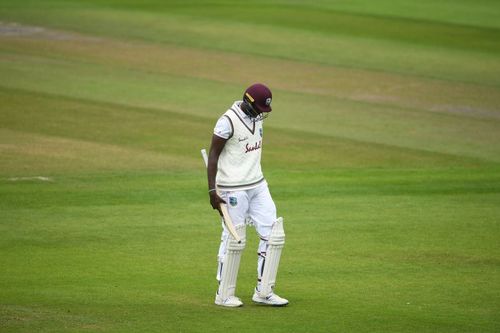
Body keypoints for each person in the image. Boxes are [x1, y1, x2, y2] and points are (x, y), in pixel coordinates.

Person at [206, 83, 288, 307]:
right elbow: (213, 156)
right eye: (259, 107)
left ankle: (264, 291)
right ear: (248, 102)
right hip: (232, 188)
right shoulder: (227, 121)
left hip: (258, 184)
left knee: (274, 235)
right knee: (234, 238)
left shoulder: (257, 118)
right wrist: (213, 191)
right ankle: (223, 294)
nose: (262, 112)